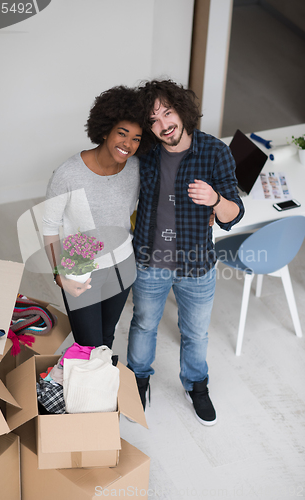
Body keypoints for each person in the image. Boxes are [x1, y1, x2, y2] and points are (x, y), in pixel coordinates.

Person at [127, 79, 245, 425]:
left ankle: (195, 384)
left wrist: (215, 199)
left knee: (196, 332)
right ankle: (138, 379)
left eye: (168, 112)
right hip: (150, 260)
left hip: (197, 266)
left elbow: (232, 215)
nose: (164, 125)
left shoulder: (214, 152)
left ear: (182, 109)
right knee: (144, 323)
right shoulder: (145, 153)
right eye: (154, 120)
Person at [42, 86, 146, 349]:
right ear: (104, 130)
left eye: (136, 138)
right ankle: (82, 388)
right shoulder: (68, 174)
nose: (128, 144)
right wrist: (58, 274)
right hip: (80, 267)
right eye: (122, 134)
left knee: (106, 339)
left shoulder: (137, 169)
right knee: (87, 344)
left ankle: (101, 389)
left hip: (122, 264)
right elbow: (49, 226)